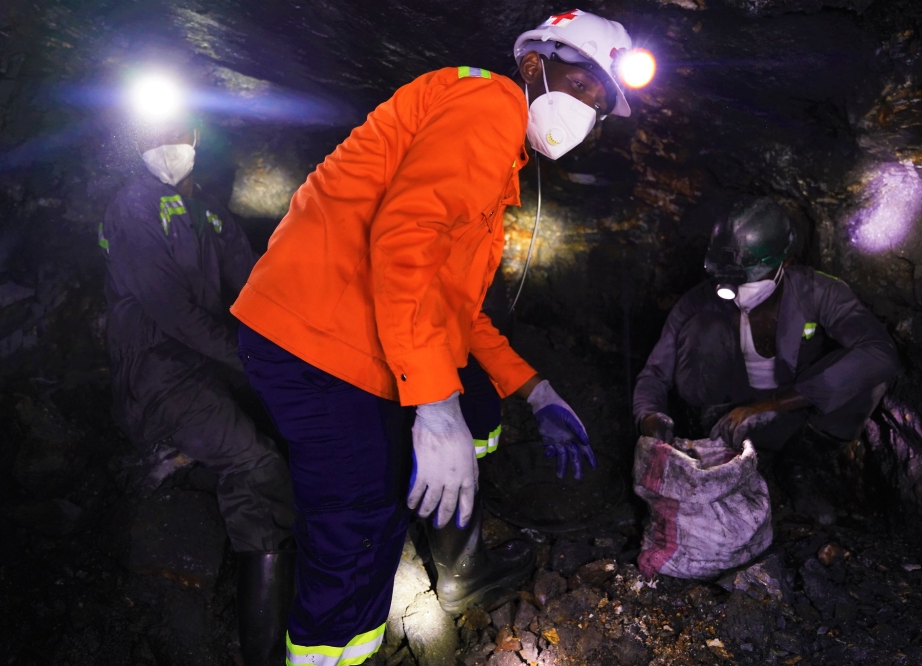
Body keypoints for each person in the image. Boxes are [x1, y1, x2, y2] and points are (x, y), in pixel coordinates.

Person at [231, 9, 637, 664]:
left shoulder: (496, 164)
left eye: (600, 104)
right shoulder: (489, 101)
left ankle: (455, 569)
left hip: (350, 335)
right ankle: (324, 651)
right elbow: (404, 238)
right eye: (585, 84)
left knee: (443, 440)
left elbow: (458, 311)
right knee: (360, 531)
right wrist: (432, 403)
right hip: (320, 341)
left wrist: (535, 390)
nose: (589, 110)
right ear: (535, 63)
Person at [99, 119, 296, 666]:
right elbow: (175, 315)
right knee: (259, 467)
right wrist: (257, 361)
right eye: (153, 132)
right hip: (158, 375)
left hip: (207, 372)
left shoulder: (210, 213)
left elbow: (257, 283)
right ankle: (264, 653)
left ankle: (184, 461)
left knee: (296, 422)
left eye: (176, 130)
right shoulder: (132, 210)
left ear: (195, 138)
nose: (167, 144)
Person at [634, 197, 901, 524]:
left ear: (785, 262)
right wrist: (650, 416)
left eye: (751, 276)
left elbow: (880, 352)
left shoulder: (817, 291)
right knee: (705, 326)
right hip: (726, 421)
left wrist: (775, 404)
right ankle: (710, 458)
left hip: (796, 415)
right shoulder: (700, 302)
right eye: (729, 277)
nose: (737, 287)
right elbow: (654, 374)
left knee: (867, 374)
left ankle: (800, 468)